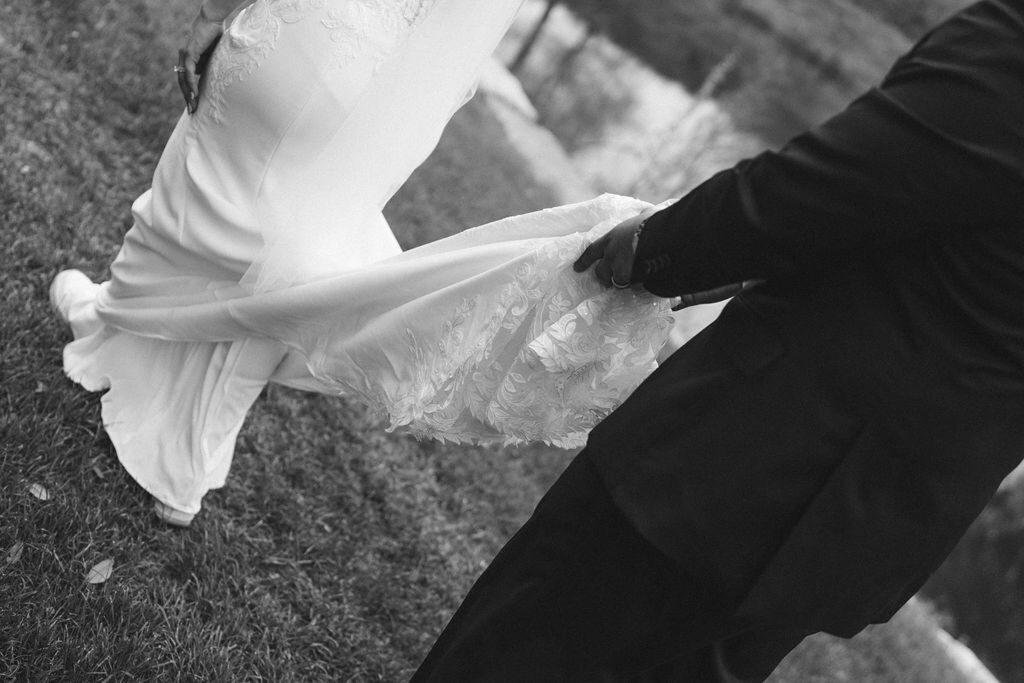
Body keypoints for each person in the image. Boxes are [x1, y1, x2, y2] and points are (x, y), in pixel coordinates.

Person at [410, 1, 1024, 680]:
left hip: (747, 442)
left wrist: (656, 249)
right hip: (878, 514)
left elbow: (830, 185)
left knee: (530, 642)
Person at [49, 0, 676, 527]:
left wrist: (215, 10)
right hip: (392, 83)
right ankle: (181, 449)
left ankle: (113, 326)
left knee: (201, 199)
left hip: (309, 34)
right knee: (295, 247)